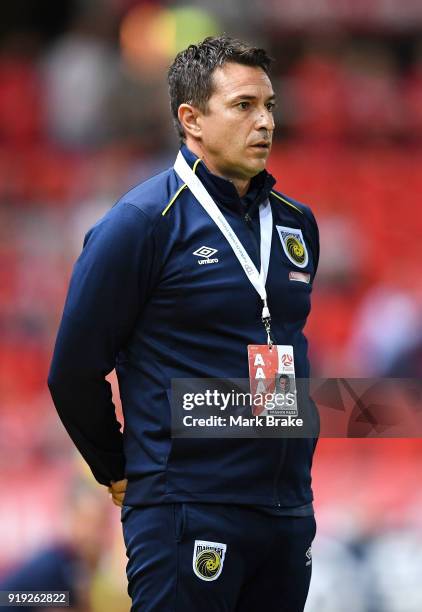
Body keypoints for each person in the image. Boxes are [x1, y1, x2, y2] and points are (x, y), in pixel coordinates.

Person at [48, 36, 320, 612]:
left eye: (269, 105)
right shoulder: (140, 224)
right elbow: (73, 370)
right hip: (185, 508)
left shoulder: (298, 225)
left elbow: (282, 351)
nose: (265, 121)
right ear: (191, 119)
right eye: (244, 106)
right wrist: (119, 471)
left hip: (286, 511)